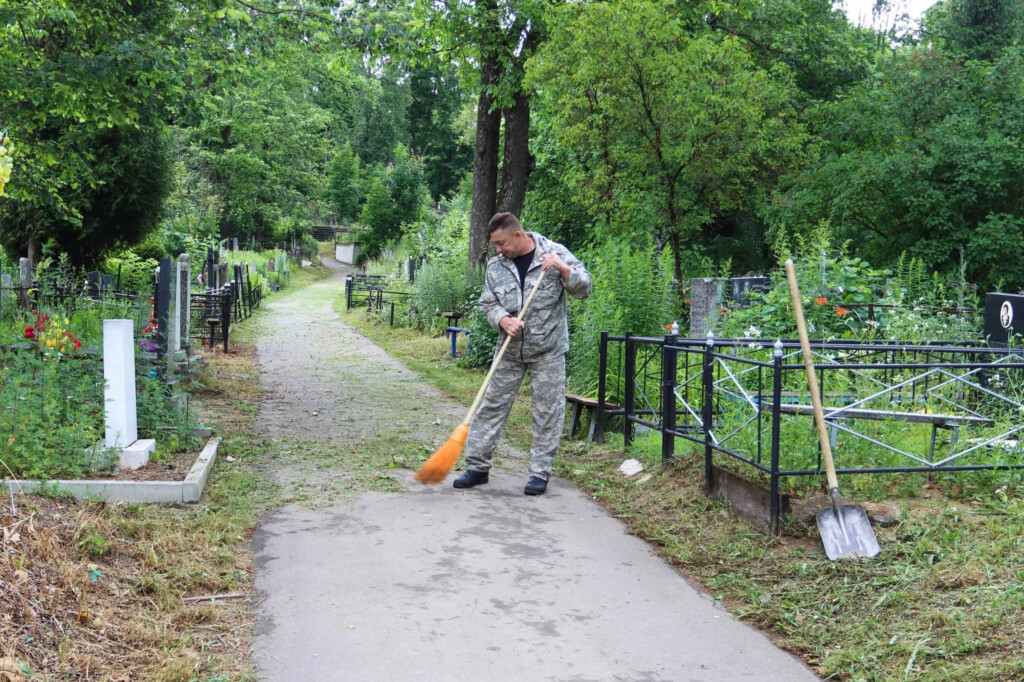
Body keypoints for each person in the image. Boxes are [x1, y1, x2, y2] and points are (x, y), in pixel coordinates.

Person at [453, 212, 592, 495]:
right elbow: (487, 303)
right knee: (491, 405)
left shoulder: (554, 253)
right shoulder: (496, 266)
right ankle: (477, 467)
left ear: (518, 235)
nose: (498, 249)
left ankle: (539, 473)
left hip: (548, 350)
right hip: (509, 350)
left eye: (501, 243)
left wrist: (564, 270)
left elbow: (584, 288)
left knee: (547, 411)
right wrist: (503, 319)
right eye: (495, 244)